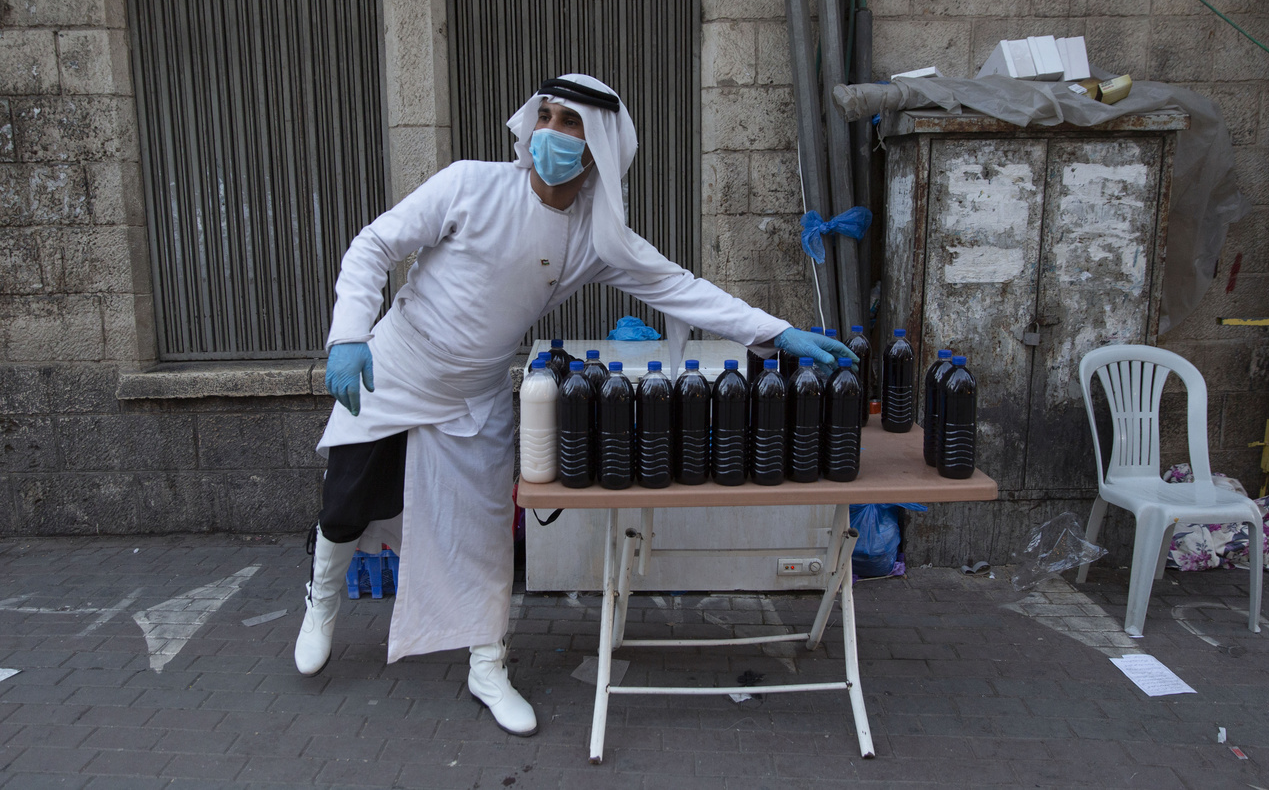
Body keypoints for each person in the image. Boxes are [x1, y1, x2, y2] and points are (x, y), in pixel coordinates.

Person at [295, 74, 855, 737]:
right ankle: (322, 601)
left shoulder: (598, 237)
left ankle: (487, 667)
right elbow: (374, 246)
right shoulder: (469, 183)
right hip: (393, 365)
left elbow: (681, 288)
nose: (551, 134)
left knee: (484, 538)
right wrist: (349, 334)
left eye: (571, 124)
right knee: (347, 503)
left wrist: (773, 330)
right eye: (548, 116)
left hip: (476, 394)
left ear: (597, 150)